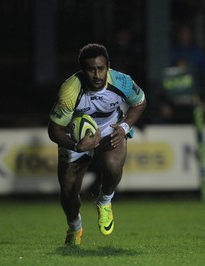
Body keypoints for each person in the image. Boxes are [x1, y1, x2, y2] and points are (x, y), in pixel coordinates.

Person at [48, 43, 146, 245]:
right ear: (83, 70)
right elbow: (54, 129)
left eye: (101, 68)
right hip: (77, 137)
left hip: (110, 129)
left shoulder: (122, 82)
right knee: (68, 191)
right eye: (91, 69)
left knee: (112, 165)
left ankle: (104, 201)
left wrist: (125, 126)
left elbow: (140, 102)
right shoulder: (70, 90)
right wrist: (77, 146)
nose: (97, 74)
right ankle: (75, 228)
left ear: (108, 66)